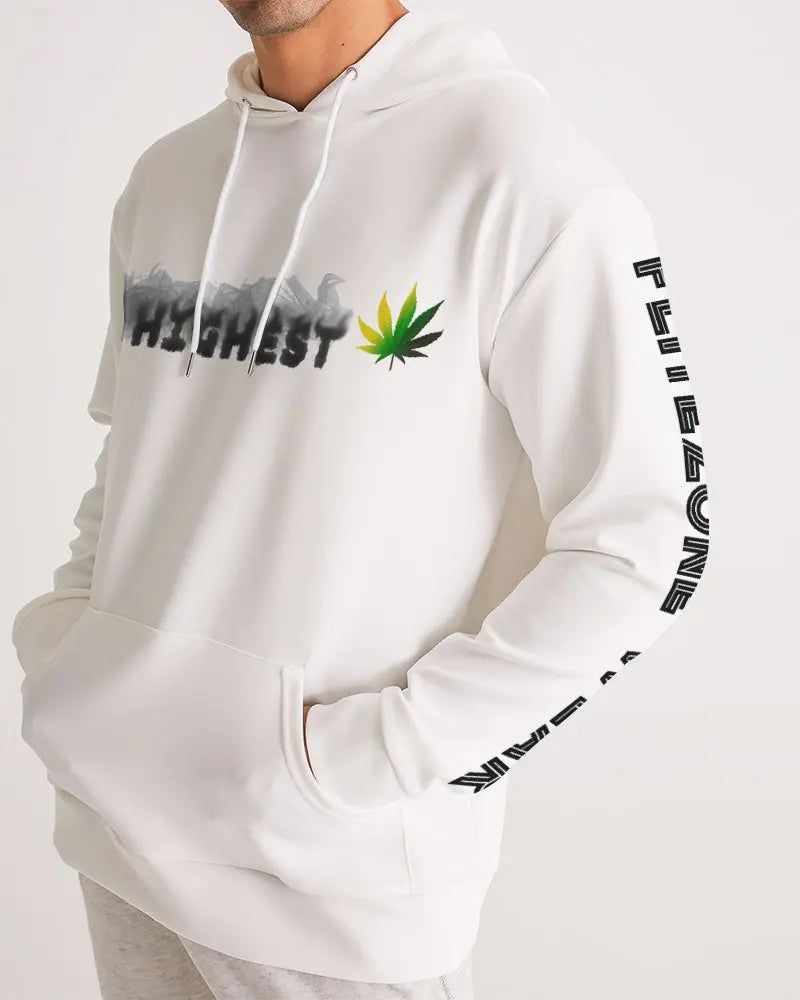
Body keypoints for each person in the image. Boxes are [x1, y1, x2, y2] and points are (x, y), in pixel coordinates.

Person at [10, 1, 712, 997]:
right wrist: (70, 651)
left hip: (336, 890)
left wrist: (369, 763)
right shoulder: (168, 178)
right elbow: (135, 451)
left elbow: (646, 544)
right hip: (117, 834)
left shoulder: (523, 173)